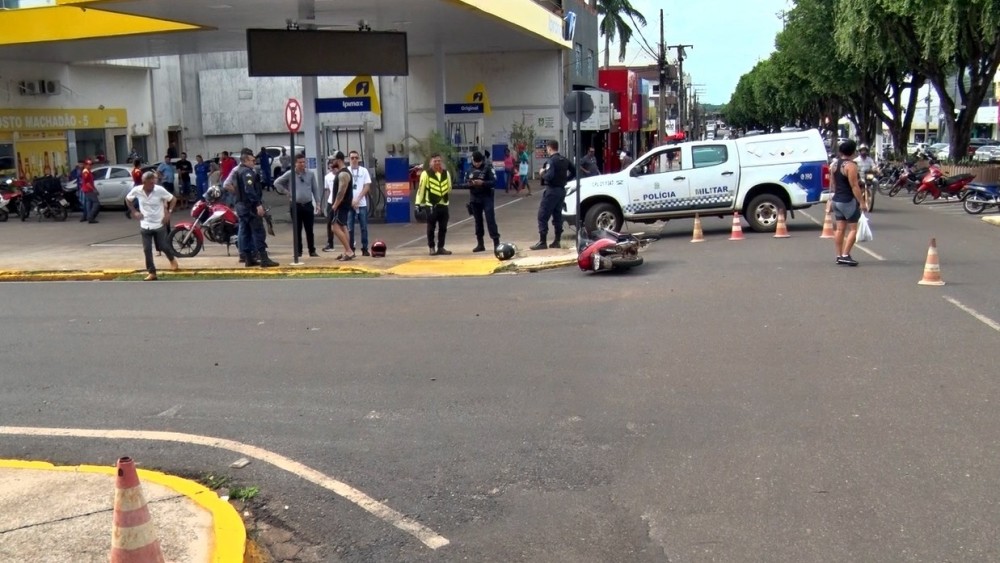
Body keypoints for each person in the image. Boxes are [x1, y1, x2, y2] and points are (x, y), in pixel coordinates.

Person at [224, 148, 278, 268]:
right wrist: (257, 204)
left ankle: (248, 258)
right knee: (258, 231)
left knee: (245, 232)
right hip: (249, 207)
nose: (254, 162)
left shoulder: (238, 171)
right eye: (252, 160)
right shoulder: (247, 172)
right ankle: (264, 258)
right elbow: (249, 190)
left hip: (241, 206)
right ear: (245, 161)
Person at [125, 171, 179, 281]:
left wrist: (168, 213)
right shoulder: (137, 190)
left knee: (163, 246)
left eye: (153, 182)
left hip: (159, 223)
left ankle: (172, 259)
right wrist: (134, 212)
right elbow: (128, 199)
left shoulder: (159, 190)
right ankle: (152, 272)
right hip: (145, 224)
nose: (152, 185)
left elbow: (173, 199)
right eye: (150, 183)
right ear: (144, 183)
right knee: (147, 249)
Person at [274, 153, 322, 258]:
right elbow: (277, 183)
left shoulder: (310, 174)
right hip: (296, 205)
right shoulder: (290, 174)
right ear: (295, 163)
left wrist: (318, 203)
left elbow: (315, 189)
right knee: (297, 230)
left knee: (309, 230)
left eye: (304, 162)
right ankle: (298, 251)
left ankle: (312, 250)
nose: (302, 164)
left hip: (308, 204)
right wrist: (286, 192)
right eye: (300, 162)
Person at [531, 140, 574, 250]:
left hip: (552, 191)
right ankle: (557, 241)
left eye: (547, 148)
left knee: (542, 215)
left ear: (549, 148)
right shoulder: (564, 160)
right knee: (557, 215)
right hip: (561, 191)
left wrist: (542, 173)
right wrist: (565, 180)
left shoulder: (551, 161)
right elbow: (574, 171)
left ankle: (542, 241)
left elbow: (549, 176)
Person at [830, 139, 868, 266]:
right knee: (853, 229)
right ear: (853, 152)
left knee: (840, 229)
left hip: (836, 200)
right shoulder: (851, 166)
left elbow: (833, 184)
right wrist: (862, 202)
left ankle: (839, 255)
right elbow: (854, 186)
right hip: (847, 201)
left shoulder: (834, 165)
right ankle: (846, 255)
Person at [415, 154, 453, 255]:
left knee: (443, 228)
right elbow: (421, 189)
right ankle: (431, 247)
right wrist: (418, 204)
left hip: (444, 204)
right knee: (431, 227)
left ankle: (441, 247)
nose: (437, 163)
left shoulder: (446, 173)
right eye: (435, 161)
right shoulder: (426, 174)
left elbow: (449, 187)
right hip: (431, 205)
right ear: (430, 163)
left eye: (439, 161)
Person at [466, 151, 501, 252]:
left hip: (487, 197)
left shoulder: (488, 168)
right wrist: (470, 183)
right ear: (472, 160)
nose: (477, 164)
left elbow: (494, 182)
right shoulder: (469, 169)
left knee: (490, 220)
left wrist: (483, 183)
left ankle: (496, 243)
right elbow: (465, 182)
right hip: (474, 197)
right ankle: (480, 244)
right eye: (475, 162)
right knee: (478, 221)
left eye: (479, 162)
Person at [327, 151, 354, 260]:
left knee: (334, 227)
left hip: (341, 205)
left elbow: (341, 191)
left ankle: (349, 251)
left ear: (338, 160)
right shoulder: (342, 173)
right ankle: (347, 251)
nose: (331, 162)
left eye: (333, 160)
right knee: (343, 227)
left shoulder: (343, 174)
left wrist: (335, 205)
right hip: (343, 205)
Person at [347, 150, 372, 256]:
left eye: (356, 158)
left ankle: (364, 248)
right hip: (349, 204)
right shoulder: (346, 171)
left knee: (364, 227)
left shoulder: (364, 171)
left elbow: (367, 186)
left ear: (359, 159)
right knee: (350, 228)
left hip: (361, 203)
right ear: (349, 159)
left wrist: (358, 198)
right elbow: (344, 188)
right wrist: (351, 200)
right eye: (352, 158)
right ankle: (351, 248)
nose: (354, 160)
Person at [322, 157, 338, 252]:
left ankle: (350, 241)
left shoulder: (341, 175)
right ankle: (330, 243)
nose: (332, 168)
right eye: (330, 166)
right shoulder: (327, 177)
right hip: (331, 202)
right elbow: (328, 190)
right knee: (329, 223)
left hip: (340, 202)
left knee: (343, 224)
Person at [79, 159, 99, 223]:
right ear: (85, 165)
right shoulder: (86, 172)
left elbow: (90, 182)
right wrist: (93, 189)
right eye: (88, 165)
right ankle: (90, 217)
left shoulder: (88, 171)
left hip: (88, 189)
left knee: (88, 203)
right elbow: (87, 182)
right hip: (88, 190)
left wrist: (94, 188)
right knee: (96, 203)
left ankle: (89, 216)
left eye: (90, 165)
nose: (90, 166)